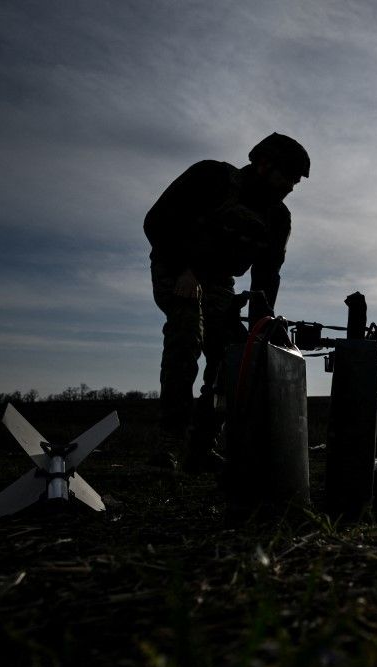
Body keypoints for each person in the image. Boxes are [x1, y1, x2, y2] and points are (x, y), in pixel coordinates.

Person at [144, 132, 310, 472]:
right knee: (187, 334)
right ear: (264, 165)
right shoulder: (212, 177)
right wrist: (184, 271)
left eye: (296, 181)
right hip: (176, 269)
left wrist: (261, 328)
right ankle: (169, 445)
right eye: (287, 176)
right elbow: (157, 222)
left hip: (220, 284)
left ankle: (201, 449)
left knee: (236, 356)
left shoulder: (278, 218)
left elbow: (267, 276)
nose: (291, 186)